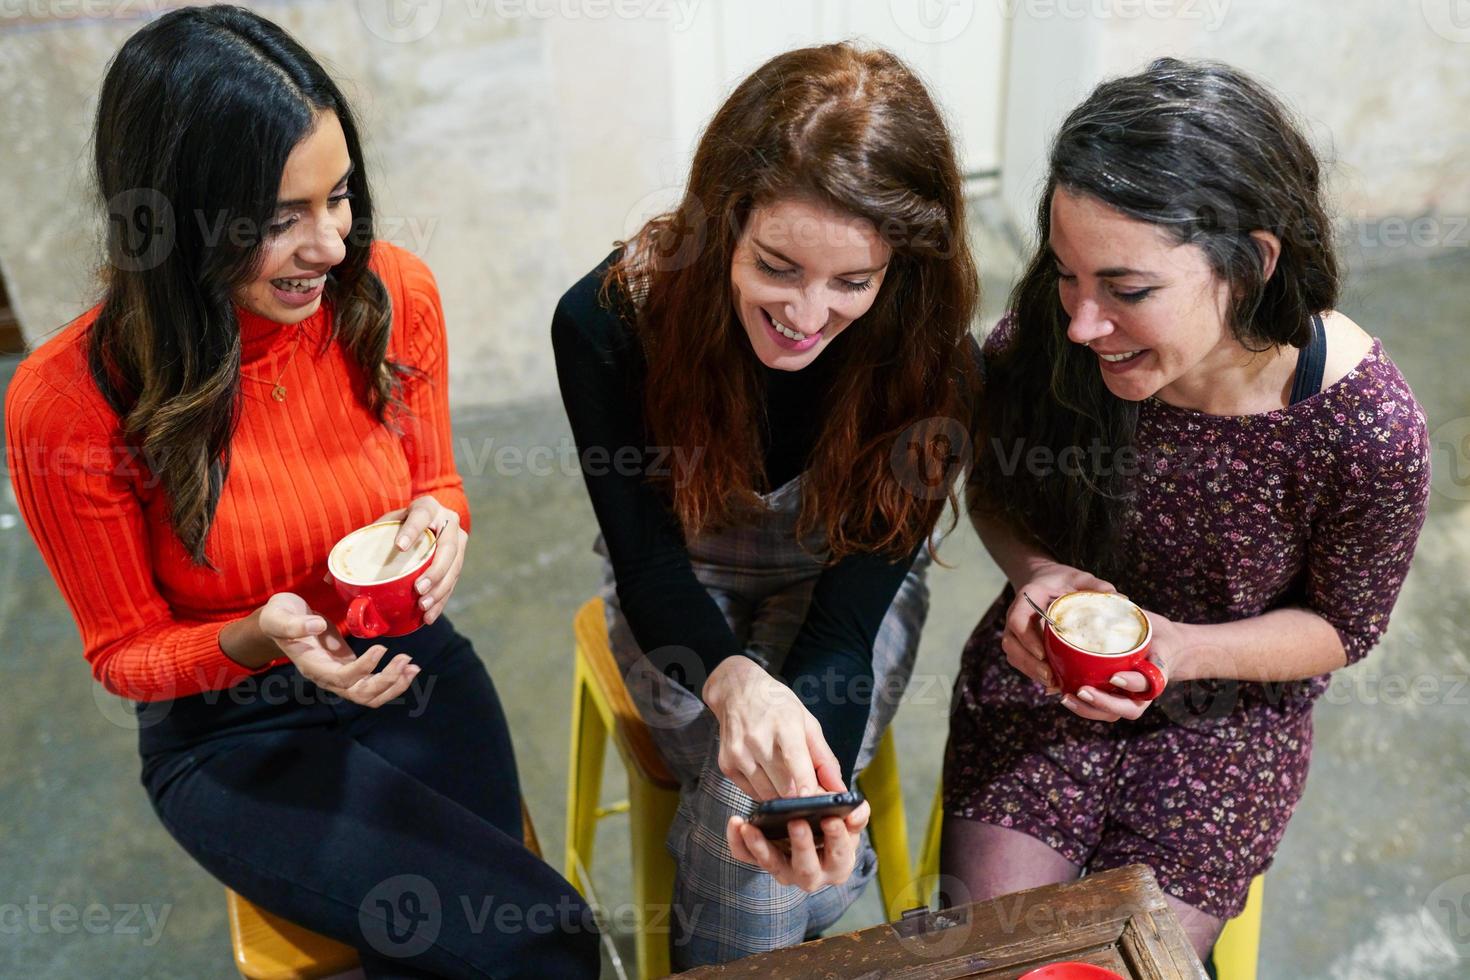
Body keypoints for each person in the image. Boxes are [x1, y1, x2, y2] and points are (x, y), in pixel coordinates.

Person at [5, 7, 598, 977]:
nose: (329, 244)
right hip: (235, 729)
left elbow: (433, 480)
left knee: (501, 940)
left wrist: (443, 519)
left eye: (341, 196)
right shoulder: (70, 402)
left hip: (407, 663)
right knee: (539, 942)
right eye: (279, 220)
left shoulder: (391, 294)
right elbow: (122, 651)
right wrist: (256, 634)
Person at [944, 58, 1431, 959]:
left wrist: (1184, 648)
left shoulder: (1365, 428)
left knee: (1106, 965)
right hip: (1046, 673)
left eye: (1128, 291)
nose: (1084, 323)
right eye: (1065, 275)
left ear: (1250, 264)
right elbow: (999, 489)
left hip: (1231, 716)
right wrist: (1042, 576)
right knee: (992, 956)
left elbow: (1343, 626)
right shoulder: (1064, 338)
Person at [552, 43, 978, 968]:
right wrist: (735, 683)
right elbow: (651, 566)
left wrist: (801, 791)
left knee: (752, 806)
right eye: (777, 266)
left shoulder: (937, 361)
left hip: (836, 586)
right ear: (724, 223)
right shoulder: (608, 321)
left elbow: (843, 629)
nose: (807, 314)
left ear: (898, 267)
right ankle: (822, 883)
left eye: (852, 283)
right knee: (763, 812)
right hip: (678, 603)